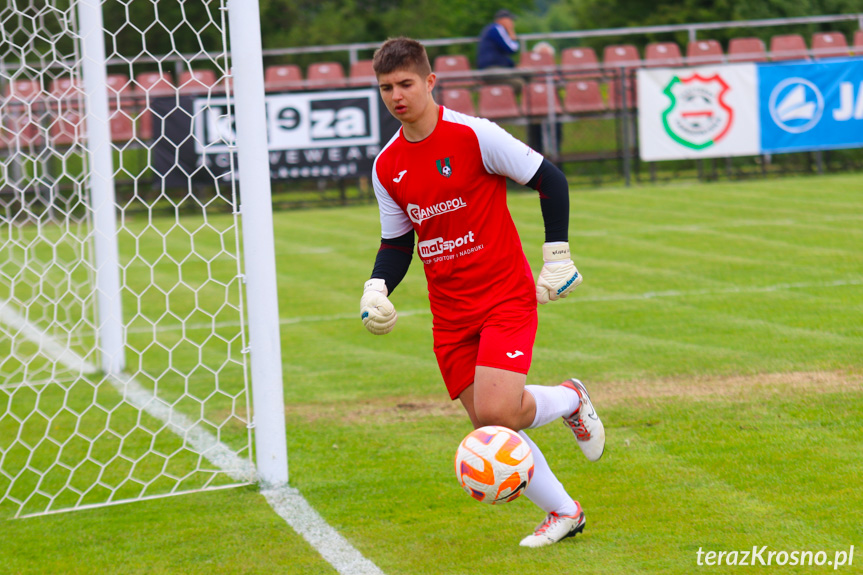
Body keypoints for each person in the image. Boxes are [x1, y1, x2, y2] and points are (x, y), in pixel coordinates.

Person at [360, 37, 605, 548]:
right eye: (386, 87)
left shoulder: (474, 136)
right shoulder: (387, 166)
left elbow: (551, 180)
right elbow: (397, 243)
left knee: (496, 415)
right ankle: (565, 510)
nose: (396, 96)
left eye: (406, 84)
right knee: (495, 425)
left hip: (503, 297)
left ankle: (568, 399)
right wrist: (377, 286)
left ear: (429, 81)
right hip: (449, 313)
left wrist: (557, 254)